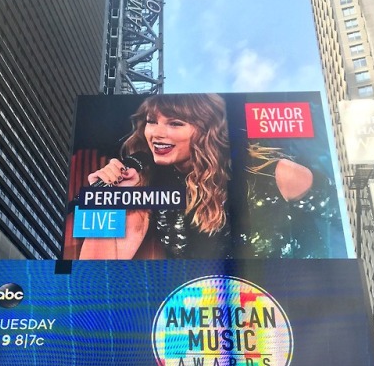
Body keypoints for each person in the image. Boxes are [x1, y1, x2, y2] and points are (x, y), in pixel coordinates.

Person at [78, 94, 336, 261]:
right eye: (152, 121)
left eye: (175, 123)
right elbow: (94, 275)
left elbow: (342, 222)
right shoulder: (149, 185)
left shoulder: (275, 174)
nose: (156, 133)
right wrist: (108, 200)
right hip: (200, 320)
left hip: (292, 313)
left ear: (207, 131)